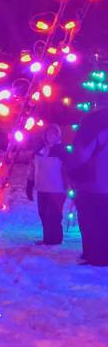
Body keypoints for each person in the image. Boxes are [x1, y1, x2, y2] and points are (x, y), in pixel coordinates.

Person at [66, 105, 108, 266]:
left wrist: (72, 172)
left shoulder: (93, 129)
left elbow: (81, 156)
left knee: (90, 221)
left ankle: (94, 255)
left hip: (92, 185)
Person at [27, 125, 67, 246]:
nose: (51, 136)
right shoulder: (39, 150)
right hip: (42, 187)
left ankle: (54, 240)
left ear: (58, 135)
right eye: (49, 134)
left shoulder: (61, 151)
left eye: (54, 134)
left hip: (57, 189)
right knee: (43, 214)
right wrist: (29, 183)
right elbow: (32, 167)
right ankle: (47, 239)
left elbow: (68, 169)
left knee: (54, 215)